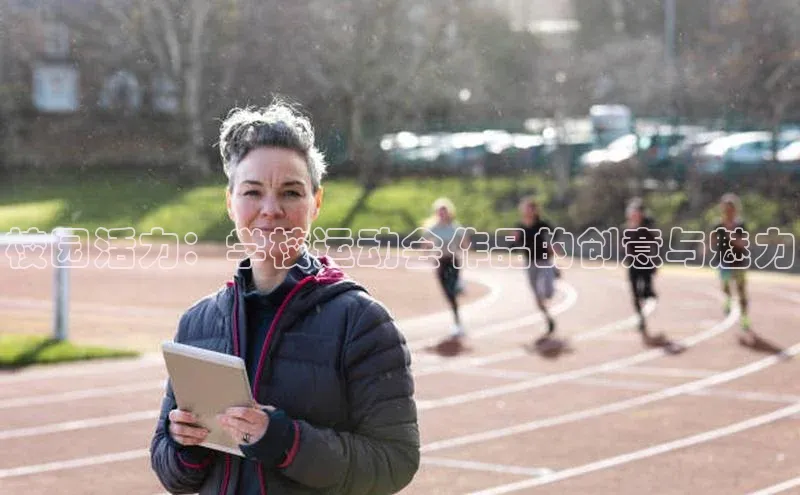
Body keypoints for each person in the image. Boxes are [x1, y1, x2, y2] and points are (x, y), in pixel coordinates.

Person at [150, 99, 420, 495]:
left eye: (291, 193)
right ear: (230, 203)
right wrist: (183, 445)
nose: (270, 210)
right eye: (252, 192)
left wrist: (285, 441)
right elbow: (171, 470)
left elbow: (395, 463)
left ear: (316, 202)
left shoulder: (362, 323)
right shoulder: (198, 323)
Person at [419, 197, 469, 343]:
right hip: (440, 262)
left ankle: (457, 322)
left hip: (453, 261)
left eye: (444, 211)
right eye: (439, 211)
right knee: (447, 292)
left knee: (452, 290)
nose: (442, 214)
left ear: (449, 212)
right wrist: (427, 249)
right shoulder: (433, 228)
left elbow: (465, 242)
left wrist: (462, 246)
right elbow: (425, 243)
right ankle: (457, 316)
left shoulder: (455, 227)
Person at [513, 196, 560, 343]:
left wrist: (551, 244)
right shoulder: (520, 227)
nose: (527, 211)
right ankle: (548, 319)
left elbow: (556, 233)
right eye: (525, 208)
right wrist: (514, 241)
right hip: (529, 263)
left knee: (547, 292)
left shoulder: (542, 225)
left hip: (544, 260)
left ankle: (553, 271)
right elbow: (514, 246)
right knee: (538, 298)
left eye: (530, 208)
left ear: (535, 210)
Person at [709, 192, 753, 340]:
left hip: (739, 262)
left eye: (730, 208)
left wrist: (734, 238)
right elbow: (711, 239)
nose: (727, 211)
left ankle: (745, 317)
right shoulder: (718, 225)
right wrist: (705, 247)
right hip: (724, 261)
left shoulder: (740, 225)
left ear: (735, 209)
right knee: (725, 285)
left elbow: (745, 243)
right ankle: (727, 299)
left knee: (741, 291)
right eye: (725, 208)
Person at [622, 197, 660, 342]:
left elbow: (655, 245)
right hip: (632, 264)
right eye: (632, 213)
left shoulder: (647, 228)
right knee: (634, 293)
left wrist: (656, 262)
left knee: (646, 292)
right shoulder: (626, 229)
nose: (634, 215)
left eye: (637, 212)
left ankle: (649, 293)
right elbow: (624, 246)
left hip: (646, 263)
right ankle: (641, 318)